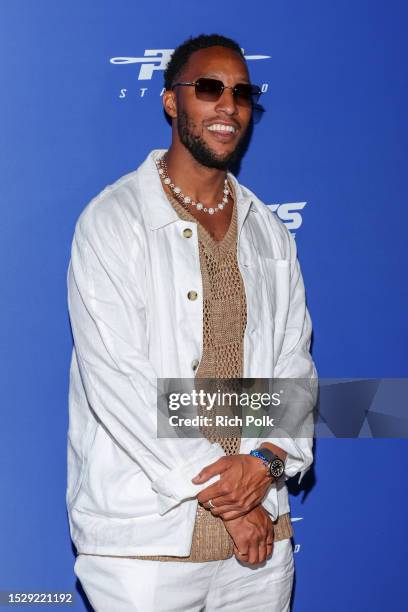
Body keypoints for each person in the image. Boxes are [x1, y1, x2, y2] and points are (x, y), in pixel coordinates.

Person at [67, 33, 317, 611]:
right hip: (146, 544)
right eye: (209, 88)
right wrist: (236, 502)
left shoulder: (268, 231)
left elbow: (293, 365)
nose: (228, 105)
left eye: (242, 93)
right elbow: (119, 382)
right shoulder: (114, 220)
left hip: (261, 543)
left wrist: (266, 462)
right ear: (172, 101)